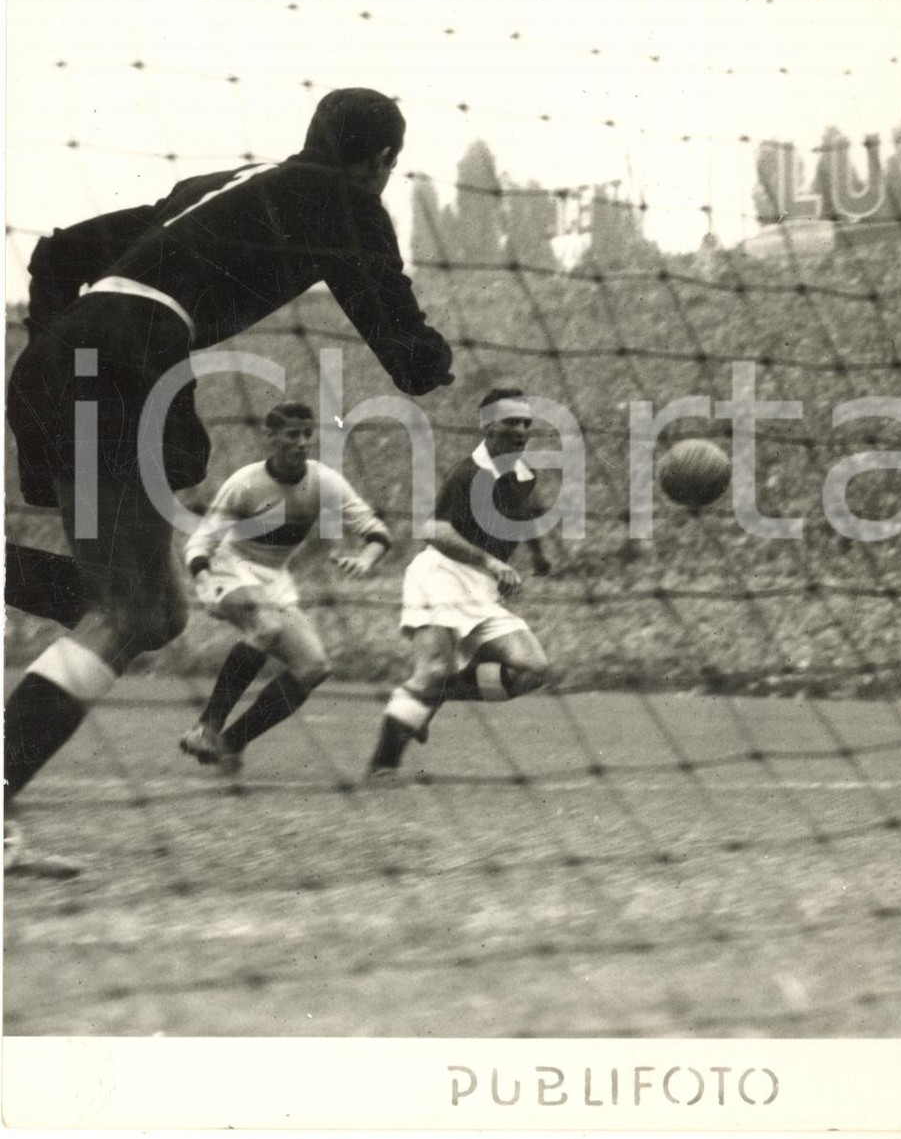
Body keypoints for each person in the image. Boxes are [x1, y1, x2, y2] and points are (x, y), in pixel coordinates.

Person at [4, 87, 453, 867]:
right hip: (131, 362)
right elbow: (411, 360)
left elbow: (58, 252)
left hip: (56, 360)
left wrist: (66, 349)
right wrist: (440, 360)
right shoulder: (344, 201)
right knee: (132, 608)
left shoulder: (212, 188)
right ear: (381, 161)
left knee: (146, 610)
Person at [178, 402, 390, 774]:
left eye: (308, 434)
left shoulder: (325, 482)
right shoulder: (245, 482)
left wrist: (367, 559)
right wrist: (204, 580)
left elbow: (376, 532)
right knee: (267, 626)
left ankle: (230, 744)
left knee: (314, 668)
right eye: (293, 434)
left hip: (276, 580)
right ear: (270, 437)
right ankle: (205, 728)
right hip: (230, 570)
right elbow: (200, 543)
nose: (302, 442)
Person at [366, 388, 559, 777]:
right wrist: (489, 560)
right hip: (439, 577)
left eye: (526, 423)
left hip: (481, 589)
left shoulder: (524, 471)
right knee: (433, 669)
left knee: (532, 669)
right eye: (511, 422)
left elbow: (529, 508)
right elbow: (434, 531)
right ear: (488, 426)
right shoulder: (469, 473)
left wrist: (537, 554)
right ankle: (383, 764)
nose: (521, 430)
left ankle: (424, 699)